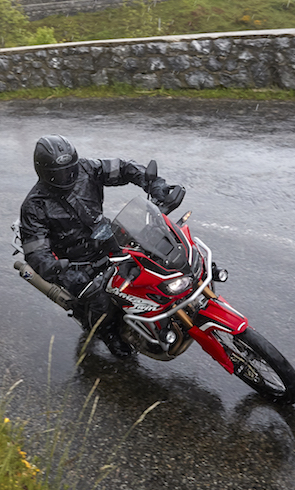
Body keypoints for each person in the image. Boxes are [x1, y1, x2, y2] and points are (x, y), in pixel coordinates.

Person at [18, 134, 185, 358]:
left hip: (106, 236)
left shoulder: (87, 169)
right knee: (98, 296)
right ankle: (108, 334)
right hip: (74, 262)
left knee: (153, 256)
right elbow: (36, 251)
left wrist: (155, 184)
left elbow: (124, 168)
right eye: (59, 172)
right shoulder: (34, 206)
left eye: (70, 168)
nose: (67, 175)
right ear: (44, 172)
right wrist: (53, 266)